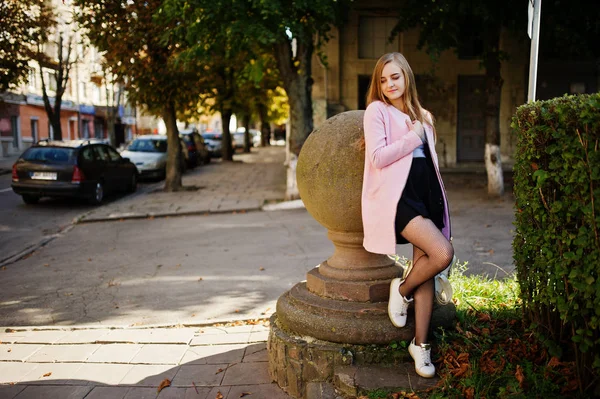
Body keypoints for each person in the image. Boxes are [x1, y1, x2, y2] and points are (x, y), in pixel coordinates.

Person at [360, 52, 454, 378]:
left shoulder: (424, 116)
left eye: (395, 77)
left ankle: (421, 344)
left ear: (406, 77)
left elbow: (431, 164)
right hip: (399, 198)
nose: (389, 84)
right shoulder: (377, 111)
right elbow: (377, 157)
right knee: (442, 252)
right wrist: (411, 137)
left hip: (425, 195)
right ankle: (400, 290)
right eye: (383, 79)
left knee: (425, 267)